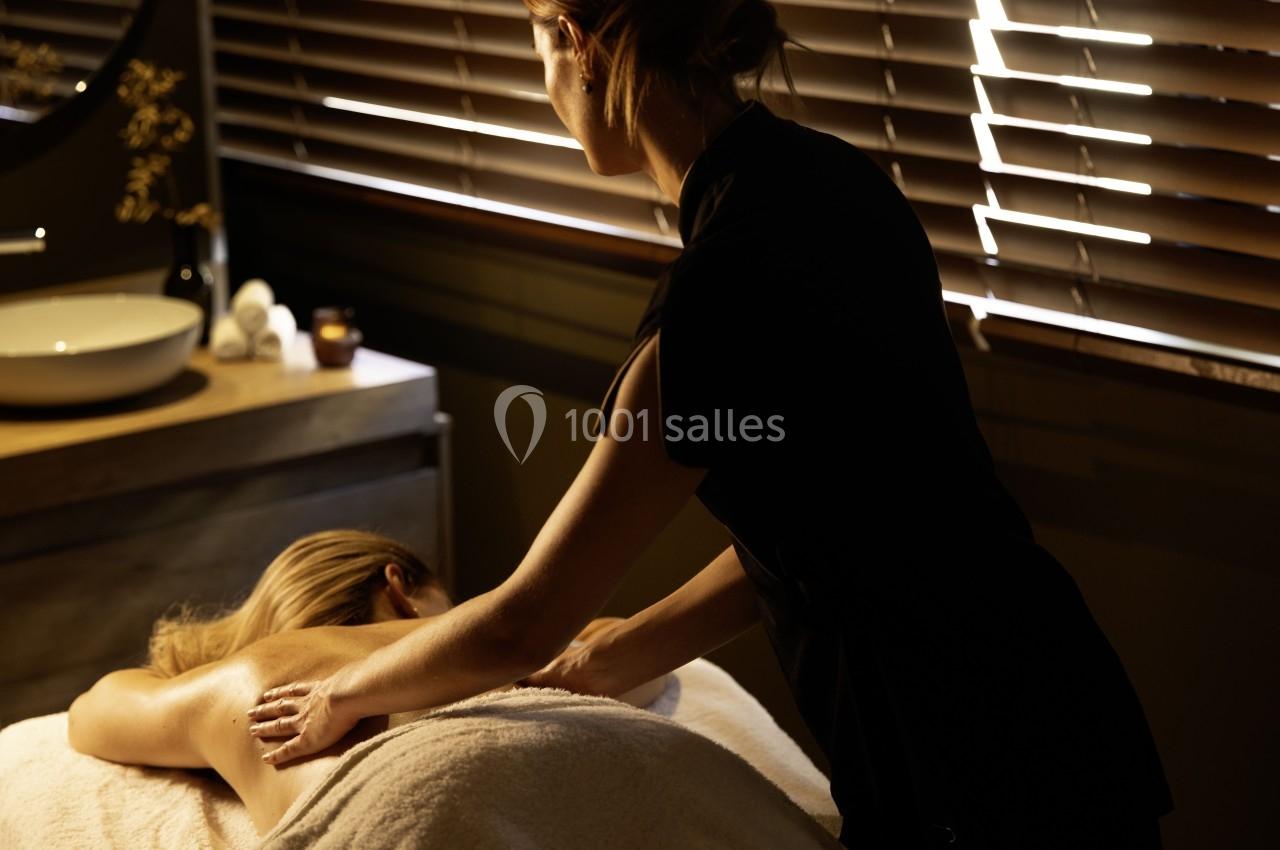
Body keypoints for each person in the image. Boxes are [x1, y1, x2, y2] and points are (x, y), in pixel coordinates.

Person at [244, 2, 1174, 847]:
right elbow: (831, 514)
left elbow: (519, 626)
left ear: (580, 43)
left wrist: (338, 694)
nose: (544, 84)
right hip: (1062, 704)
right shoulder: (840, 186)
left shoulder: (714, 304)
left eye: (534, 41)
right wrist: (626, 649)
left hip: (959, 772)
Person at [65, 529, 636, 834]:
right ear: (400, 590)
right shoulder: (495, 644)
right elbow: (622, 653)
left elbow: (91, 711)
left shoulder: (246, 681)